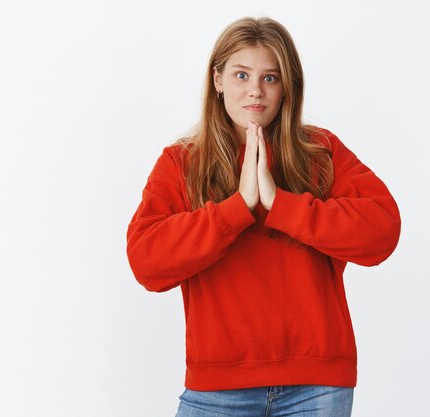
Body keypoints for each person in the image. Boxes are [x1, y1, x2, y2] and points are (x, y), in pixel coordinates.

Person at [125, 16, 401, 417]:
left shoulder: (320, 151)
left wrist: (281, 204)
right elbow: (147, 262)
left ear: (287, 86)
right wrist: (237, 208)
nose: (256, 90)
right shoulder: (181, 162)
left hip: (317, 387)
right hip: (218, 389)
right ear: (217, 80)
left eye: (270, 78)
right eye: (242, 75)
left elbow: (383, 230)